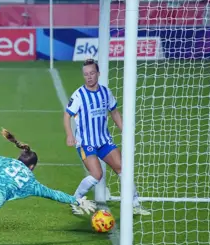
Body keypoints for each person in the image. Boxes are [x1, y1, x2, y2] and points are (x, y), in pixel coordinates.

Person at [63, 58, 150, 215]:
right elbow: (66, 115)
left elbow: (114, 112)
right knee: (97, 175)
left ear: (98, 74)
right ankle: (75, 200)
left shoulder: (105, 92)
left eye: (92, 73)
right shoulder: (79, 95)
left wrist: (125, 131)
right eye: (86, 74)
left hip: (104, 141)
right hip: (85, 143)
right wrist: (70, 135)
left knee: (123, 168)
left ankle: (135, 204)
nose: (89, 77)